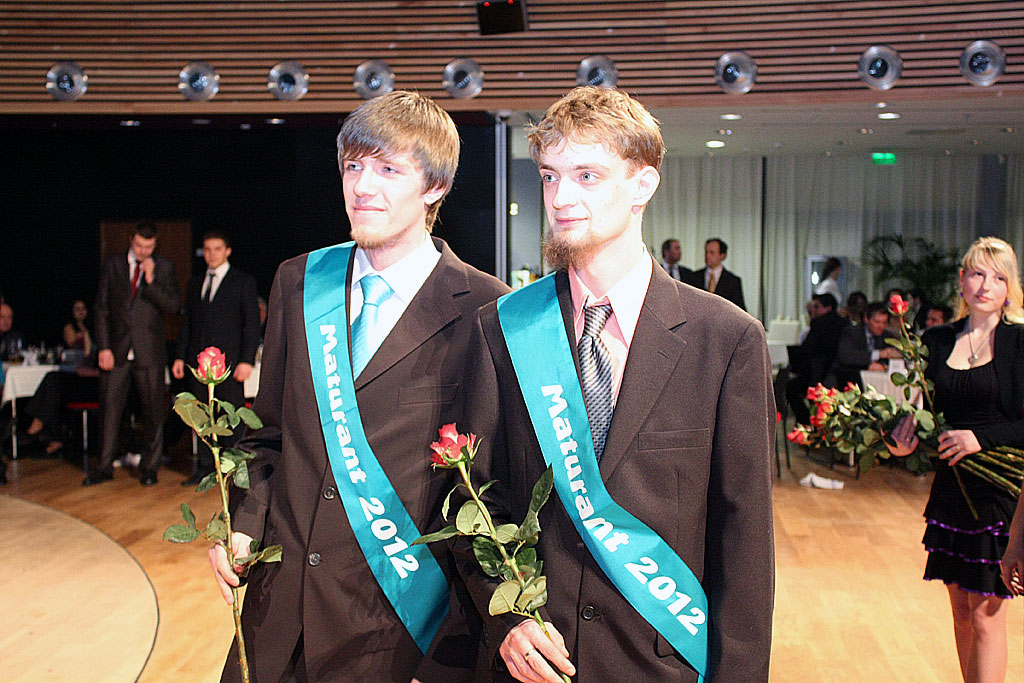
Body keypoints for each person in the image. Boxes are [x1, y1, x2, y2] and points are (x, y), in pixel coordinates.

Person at [456, 86, 774, 682]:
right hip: (533, 661)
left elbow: (745, 541)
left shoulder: (725, 339)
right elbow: (477, 495)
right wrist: (509, 620)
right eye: (549, 177)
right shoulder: (504, 326)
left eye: (586, 176)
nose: (560, 198)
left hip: (660, 660)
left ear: (642, 184)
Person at [206, 90, 508, 682]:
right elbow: (267, 437)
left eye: (388, 170)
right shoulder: (299, 282)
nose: (362, 186)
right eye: (353, 166)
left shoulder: (483, 308)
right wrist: (244, 524)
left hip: (392, 628)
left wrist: (448, 657)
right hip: (277, 614)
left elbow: (482, 494)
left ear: (435, 187)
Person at [888, 236, 1024, 683]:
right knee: (963, 613)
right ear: (962, 280)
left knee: (986, 615)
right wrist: (904, 442)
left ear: (1010, 287)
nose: (986, 286)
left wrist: (980, 439)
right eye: (977, 274)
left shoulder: (1019, 342)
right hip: (951, 490)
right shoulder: (937, 338)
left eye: (998, 277)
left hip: (1001, 492)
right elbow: (924, 414)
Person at [86, 221, 179, 487]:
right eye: (139, 245)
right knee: (109, 409)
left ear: (155, 245)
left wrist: (151, 280)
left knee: (153, 411)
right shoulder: (113, 265)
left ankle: (150, 467)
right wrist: (103, 347)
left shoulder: (164, 267)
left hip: (149, 351)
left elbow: (173, 306)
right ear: (131, 240)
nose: (142, 251)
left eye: (148, 247)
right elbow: (101, 308)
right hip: (115, 349)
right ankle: (104, 466)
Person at [172, 231, 260, 486]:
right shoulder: (196, 282)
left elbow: (251, 324)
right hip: (199, 364)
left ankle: (233, 470)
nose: (212, 254)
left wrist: (246, 360)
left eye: (217, 248)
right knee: (202, 416)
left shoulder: (243, 282)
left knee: (230, 415)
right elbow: (188, 323)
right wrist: (180, 357)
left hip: (230, 363)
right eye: (208, 249)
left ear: (227, 251)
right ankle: (204, 468)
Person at [25, 299, 99, 456]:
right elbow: (87, 358)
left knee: (55, 384)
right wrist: (85, 368)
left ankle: (37, 429)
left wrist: (90, 371)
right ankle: (44, 430)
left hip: (99, 384)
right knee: (53, 379)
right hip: (87, 378)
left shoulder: (107, 334)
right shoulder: (88, 332)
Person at [786, 293, 848, 423]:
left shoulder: (819, 323)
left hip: (819, 374)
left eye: (817, 307)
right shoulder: (845, 323)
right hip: (841, 374)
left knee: (790, 388)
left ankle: (806, 421)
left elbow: (807, 349)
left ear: (828, 308)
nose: (812, 310)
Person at [832, 301, 901, 389]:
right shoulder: (852, 333)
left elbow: (891, 361)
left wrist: (883, 366)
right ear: (866, 319)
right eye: (877, 322)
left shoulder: (887, 337)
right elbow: (847, 357)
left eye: (884, 323)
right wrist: (879, 354)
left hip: (876, 383)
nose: (881, 326)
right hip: (847, 380)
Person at [689, 237, 746, 311]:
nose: (707, 256)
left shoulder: (733, 281)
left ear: (722, 255)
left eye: (712, 253)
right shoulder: (694, 277)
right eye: (706, 252)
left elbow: (739, 310)